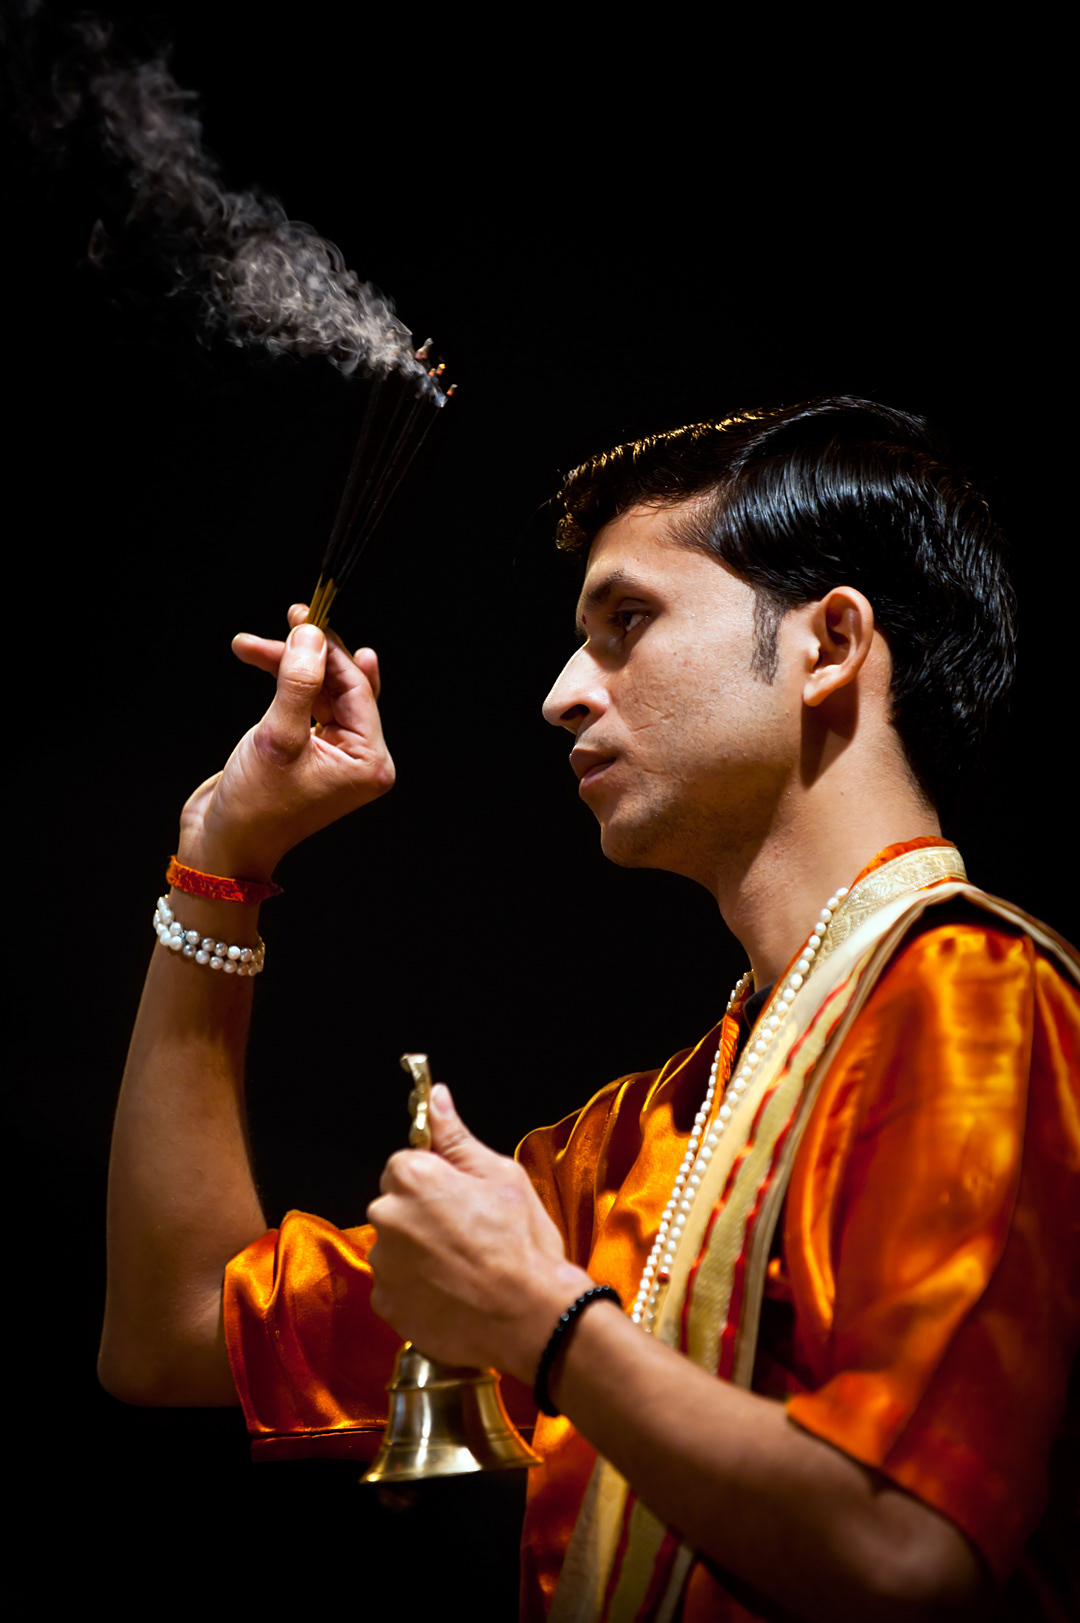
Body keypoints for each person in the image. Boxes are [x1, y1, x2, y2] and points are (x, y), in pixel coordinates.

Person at [100, 397, 1079, 1622]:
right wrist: (220, 863)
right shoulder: (645, 1136)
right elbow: (174, 1334)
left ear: (829, 644)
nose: (565, 693)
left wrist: (551, 1326)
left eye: (628, 622)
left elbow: (908, 1557)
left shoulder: (973, 999)